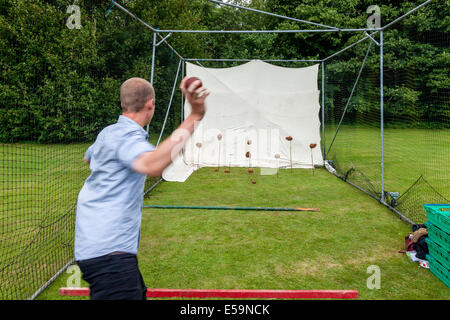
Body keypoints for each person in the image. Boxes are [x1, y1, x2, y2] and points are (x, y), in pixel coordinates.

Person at [74, 76, 209, 300]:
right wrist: (196, 115)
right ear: (150, 104)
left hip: (96, 249)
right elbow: (152, 164)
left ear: (123, 104)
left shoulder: (108, 133)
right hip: (110, 254)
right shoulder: (125, 136)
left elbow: (89, 157)